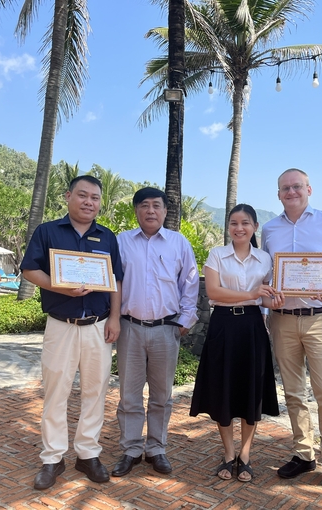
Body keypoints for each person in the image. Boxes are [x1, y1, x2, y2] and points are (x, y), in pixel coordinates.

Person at [21, 175, 123, 490]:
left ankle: (87, 454)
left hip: (97, 325)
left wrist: (115, 319)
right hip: (60, 326)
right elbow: (29, 269)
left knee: (95, 391)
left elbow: (116, 280)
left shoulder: (107, 236)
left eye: (95, 197)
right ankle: (53, 458)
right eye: (82, 195)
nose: (89, 202)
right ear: (68, 196)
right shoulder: (47, 231)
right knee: (55, 392)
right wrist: (60, 287)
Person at [261, 168, 322, 498]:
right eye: (285, 188)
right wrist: (266, 308)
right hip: (283, 319)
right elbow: (269, 273)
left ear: (309, 189)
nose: (291, 192)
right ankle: (304, 455)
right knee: (293, 392)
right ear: (278, 195)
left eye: (296, 186)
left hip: (319, 319)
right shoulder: (270, 229)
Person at [189, 204, 283, 482]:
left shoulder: (265, 259)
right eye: (233, 223)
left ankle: (245, 454)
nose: (239, 228)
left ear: (254, 227)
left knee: (250, 389)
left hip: (252, 326)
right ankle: (228, 453)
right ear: (228, 227)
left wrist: (275, 300)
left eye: (245, 223)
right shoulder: (217, 255)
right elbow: (213, 291)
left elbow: (264, 297)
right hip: (223, 325)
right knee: (224, 388)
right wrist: (252, 293)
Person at [112, 187, 199, 478]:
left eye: (156, 206)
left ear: (165, 211)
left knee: (162, 395)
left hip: (166, 329)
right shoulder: (121, 242)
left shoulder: (178, 243)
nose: (151, 211)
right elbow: (111, 282)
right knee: (129, 394)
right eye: (145, 206)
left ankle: (157, 448)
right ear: (136, 210)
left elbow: (190, 283)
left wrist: (187, 318)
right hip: (129, 329)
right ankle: (131, 449)